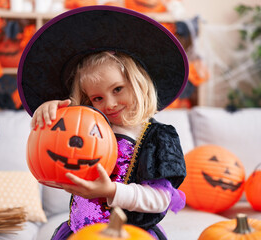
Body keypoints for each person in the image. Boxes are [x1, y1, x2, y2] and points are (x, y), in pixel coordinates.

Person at [17, 6, 191, 240]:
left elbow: (160, 200)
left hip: (127, 234)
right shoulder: (91, 126)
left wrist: (111, 190)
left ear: (138, 83)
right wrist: (45, 112)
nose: (109, 104)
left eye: (118, 89)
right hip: (80, 232)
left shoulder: (158, 138)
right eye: (97, 98)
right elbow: (51, 144)